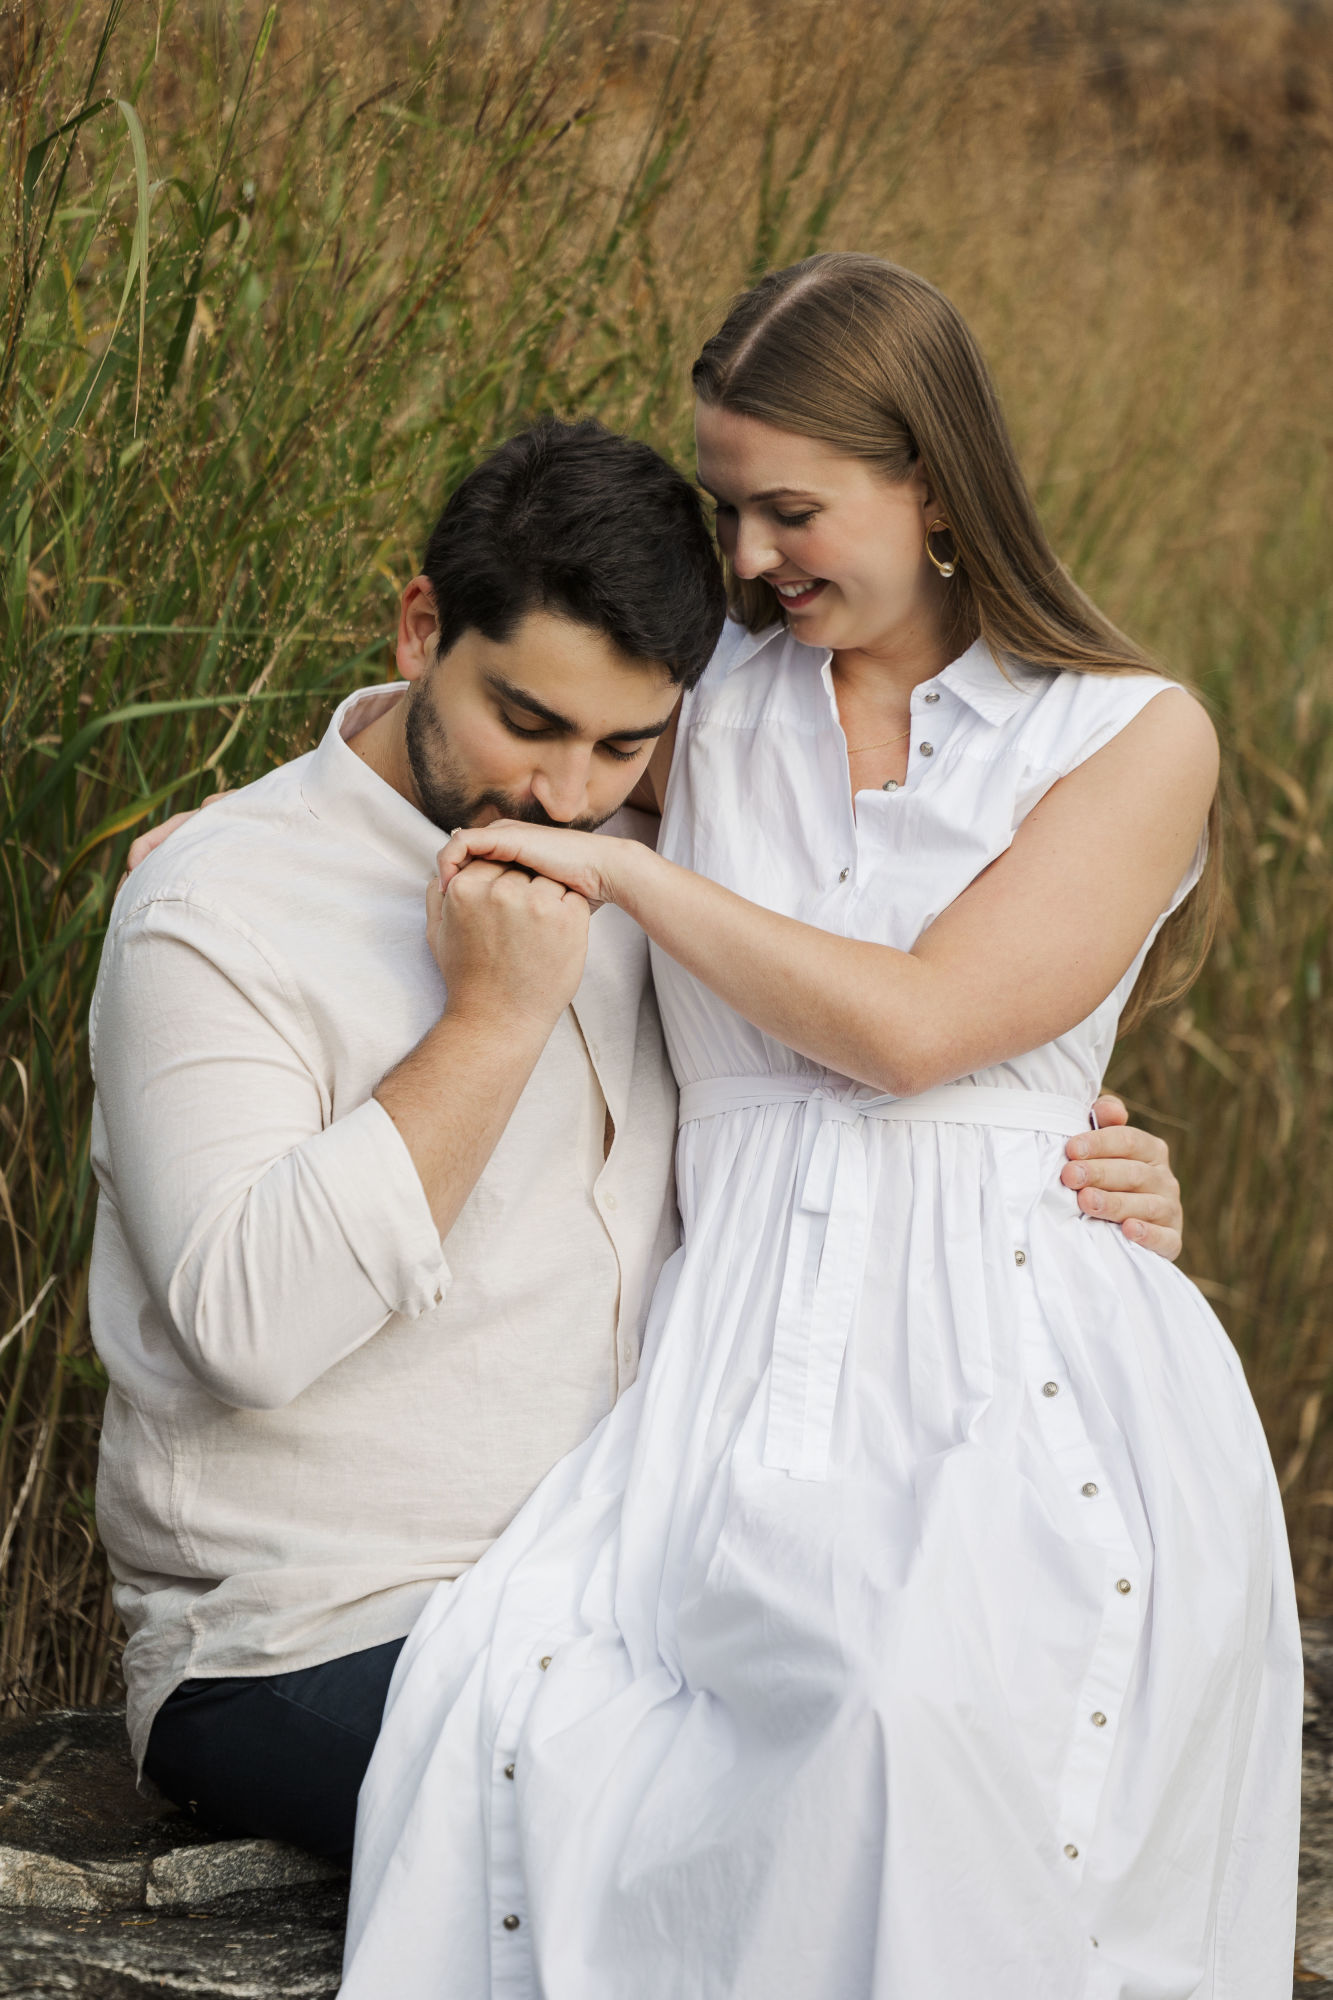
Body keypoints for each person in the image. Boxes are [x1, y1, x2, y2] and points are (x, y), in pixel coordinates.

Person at [341, 258, 1300, 2000]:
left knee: (910, 1727)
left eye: (793, 507)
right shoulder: (711, 702)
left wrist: (630, 871)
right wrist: (258, 832)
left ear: (933, 482)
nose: (756, 555)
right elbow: (476, 731)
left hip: (1008, 1354)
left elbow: (925, 1030)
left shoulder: (1130, 734)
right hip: (732, 1353)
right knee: (550, 1715)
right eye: (729, 508)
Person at [95, 415, 1182, 1865]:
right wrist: (486, 1025)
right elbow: (249, 1325)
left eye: (624, 744)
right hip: (307, 1635)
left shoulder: (658, 871)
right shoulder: (216, 906)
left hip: (630, 1597)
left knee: (997, 1778)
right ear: (421, 628)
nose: (564, 796)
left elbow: (858, 1088)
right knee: (745, 1864)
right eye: (526, 723)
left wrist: (1074, 1174)